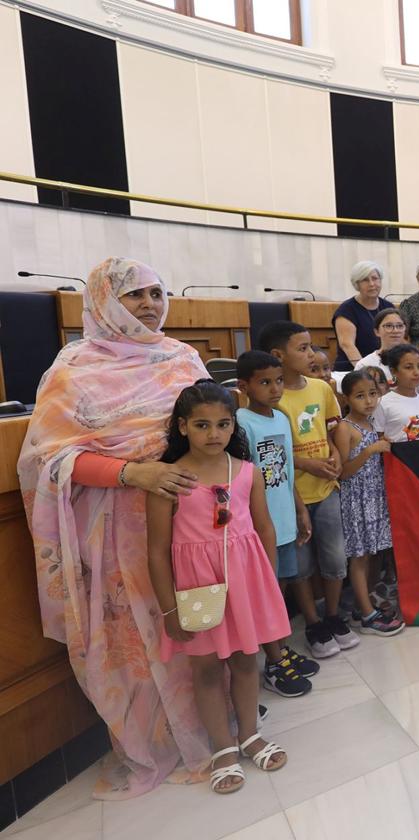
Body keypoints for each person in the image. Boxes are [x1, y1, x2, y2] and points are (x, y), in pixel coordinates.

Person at [18, 257, 212, 798]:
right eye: (135, 295)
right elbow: (48, 459)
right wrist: (133, 472)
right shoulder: (73, 369)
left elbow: (212, 429)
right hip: (115, 529)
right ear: (105, 300)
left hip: (188, 520)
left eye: (156, 292)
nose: (150, 305)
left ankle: (212, 724)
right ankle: (156, 739)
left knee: (196, 621)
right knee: (137, 638)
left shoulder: (182, 356)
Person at [146, 381, 291, 795]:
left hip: (245, 586)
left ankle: (249, 734)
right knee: (206, 669)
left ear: (233, 426)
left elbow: (264, 529)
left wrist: (271, 588)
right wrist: (169, 611)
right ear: (183, 427)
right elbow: (156, 551)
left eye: (223, 424)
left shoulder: (246, 473)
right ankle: (222, 748)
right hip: (197, 591)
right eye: (202, 425)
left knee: (247, 662)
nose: (214, 434)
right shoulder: (169, 480)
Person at [258, 321, 355, 658]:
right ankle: (312, 623)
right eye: (303, 348)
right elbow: (270, 452)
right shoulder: (270, 395)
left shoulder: (320, 388)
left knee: (334, 557)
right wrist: (306, 465)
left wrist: (334, 456)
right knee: (299, 566)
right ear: (277, 355)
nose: (311, 354)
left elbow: (331, 428)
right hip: (290, 497)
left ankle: (332, 615)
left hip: (326, 488)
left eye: (311, 347)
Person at [234, 351, 317, 698]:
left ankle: (279, 650)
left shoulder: (281, 419)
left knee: (281, 589)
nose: (274, 388)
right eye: (265, 382)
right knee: (267, 595)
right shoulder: (240, 423)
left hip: (283, 520)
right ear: (244, 386)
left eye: (278, 380)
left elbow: (285, 473)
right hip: (259, 526)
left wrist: (299, 509)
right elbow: (241, 482)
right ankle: (273, 661)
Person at [333, 372, 403, 636]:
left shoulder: (373, 424)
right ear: (347, 398)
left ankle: (363, 605)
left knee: (372, 556)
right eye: (360, 396)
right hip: (356, 501)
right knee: (360, 558)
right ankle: (366, 615)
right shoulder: (345, 428)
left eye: (372, 394)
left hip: (374, 498)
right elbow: (343, 472)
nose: (369, 401)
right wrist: (369, 451)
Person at [332, 260, 395, 371]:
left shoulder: (388, 307)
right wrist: (367, 372)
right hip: (353, 371)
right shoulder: (346, 310)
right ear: (357, 284)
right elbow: (347, 345)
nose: (371, 284)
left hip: (384, 368)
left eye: (375, 278)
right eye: (365, 280)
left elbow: (398, 340)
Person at [375, 344, 419, 441]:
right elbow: (377, 436)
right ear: (393, 371)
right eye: (408, 367)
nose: (416, 372)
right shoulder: (383, 403)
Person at [354, 309, 409, 387]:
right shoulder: (364, 364)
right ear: (377, 331)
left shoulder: (414, 359)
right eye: (389, 326)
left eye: (400, 326)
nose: (395, 330)